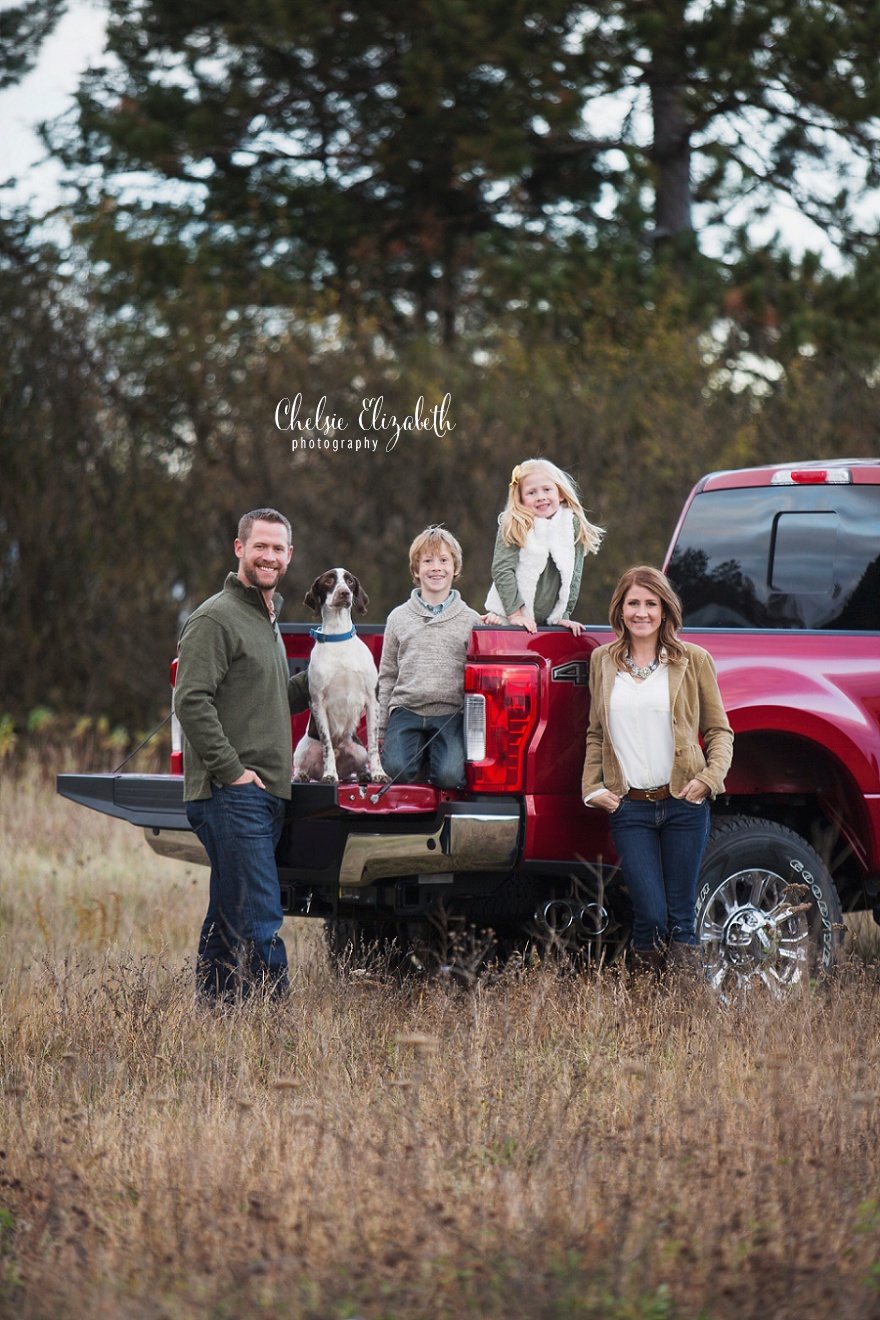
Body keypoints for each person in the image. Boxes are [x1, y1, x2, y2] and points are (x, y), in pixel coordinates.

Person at [175, 508, 310, 1001]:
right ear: (239, 549)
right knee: (259, 916)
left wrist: (322, 676)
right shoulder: (216, 617)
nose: (269, 556)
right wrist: (231, 773)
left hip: (266, 793)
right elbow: (190, 700)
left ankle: (216, 1015)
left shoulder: (265, 619)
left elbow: (271, 701)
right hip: (230, 794)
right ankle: (277, 1035)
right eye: (260, 546)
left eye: (278, 549)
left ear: (289, 557)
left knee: (229, 911)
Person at [581, 566, 733, 973]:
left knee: (682, 917)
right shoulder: (603, 661)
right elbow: (597, 733)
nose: (642, 612)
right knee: (650, 913)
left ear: (665, 610)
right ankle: (647, 1001)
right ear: (621, 609)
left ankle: (684, 1014)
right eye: (634, 603)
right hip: (630, 809)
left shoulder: (692, 660)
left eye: (651, 603)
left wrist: (709, 779)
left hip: (684, 804)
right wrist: (591, 788)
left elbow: (719, 730)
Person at [378, 525, 481, 789]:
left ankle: (433, 756)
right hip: (406, 710)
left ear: (455, 568)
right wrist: (381, 729)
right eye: (428, 561)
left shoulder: (472, 620)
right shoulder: (398, 617)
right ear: (416, 570)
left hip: (449, 713)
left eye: (444, 560)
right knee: (395, 769)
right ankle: (420, 756)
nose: (436, 567)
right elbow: (387, 675)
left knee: (449, 777)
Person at [484, 459, 604, 638]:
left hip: (548, 622)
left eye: (547, 490)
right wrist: (514, 614)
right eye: (531, 492)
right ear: (521, 499)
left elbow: (574, 575)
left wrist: (563, 615)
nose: (540, 496)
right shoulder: (515, 524)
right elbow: (502, 569)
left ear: (560, 493)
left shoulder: (572, 526)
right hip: (509, 616)